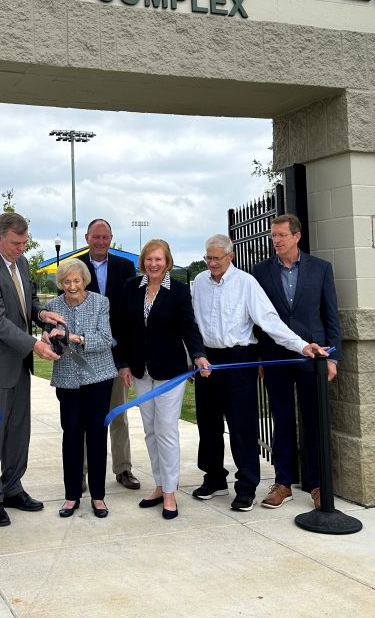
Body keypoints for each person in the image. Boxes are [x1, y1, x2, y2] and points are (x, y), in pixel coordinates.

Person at [191, 233, 329, 513]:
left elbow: (269, 321)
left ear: (230, 257)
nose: (212, 263)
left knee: (242, 427)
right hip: (208, 360)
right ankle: (214, 477)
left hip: (239, 359)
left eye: (217, 258)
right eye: (208, 258)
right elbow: (192, 323)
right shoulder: (199, 284)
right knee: (208, 425)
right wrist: (194, 358)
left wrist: (301, 346)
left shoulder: (246, 283)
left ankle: (246, 487)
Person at [0, 212, 64, 527]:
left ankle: (12, 488)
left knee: (19, 431)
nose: (22, 249)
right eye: (16, 243)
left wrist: (43, 313)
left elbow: (26, 303)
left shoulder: (19, 263)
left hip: (16, 364)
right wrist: (35, 345)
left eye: (25, 243)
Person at [251, 214, 341, 511]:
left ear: (297, 236)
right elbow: (257, 321)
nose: (276, 241)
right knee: (282, 420)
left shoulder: (321, 269)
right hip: (276, 357)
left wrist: (333, 358)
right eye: (273, 236)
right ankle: (283, 483)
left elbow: (331, 316)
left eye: (281, 235)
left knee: (314, 420)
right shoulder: (260, 272)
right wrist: (261, 358)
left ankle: (316, 485)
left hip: (313, 359)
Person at [115, 239, 208, 520]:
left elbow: (189, 327)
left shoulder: (179, 291)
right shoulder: (131, 287)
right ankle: (159, 484)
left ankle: (170, 492)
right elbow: (121, 327)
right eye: (148, 259)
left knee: (166, 430)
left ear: (167, 262)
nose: (153, 264)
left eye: (158, 260)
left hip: (171, 373)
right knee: (151, 430)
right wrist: (123, 364)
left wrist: (199, 355)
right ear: (143, 261)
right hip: (140, 372)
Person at [43, 259, 118, 518]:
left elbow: (107, 340)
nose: (72, 286)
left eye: (76, 281)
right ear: (60, 283)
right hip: (67, 380)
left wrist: (74, 338)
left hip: (98, 378)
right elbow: (51, 346)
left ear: (84, 280)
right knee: (71, 435)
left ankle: (98, 496)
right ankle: (71, 496)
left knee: (97, 435)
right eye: (66, 281)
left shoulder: (100, 302)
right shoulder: (52, 307)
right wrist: (48, 342)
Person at [77, 218, 140, 490]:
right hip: (85, 351)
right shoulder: (75, 266)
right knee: (84, 416)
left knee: (117, 413)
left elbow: (129, 315)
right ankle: (80, 470)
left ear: (111, 238)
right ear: (87, 238)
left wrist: (126, 356)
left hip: (115, 352)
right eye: (96, 237)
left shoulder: (125, 267)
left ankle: (123, 469)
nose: (101, 242)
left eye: (105, 237)